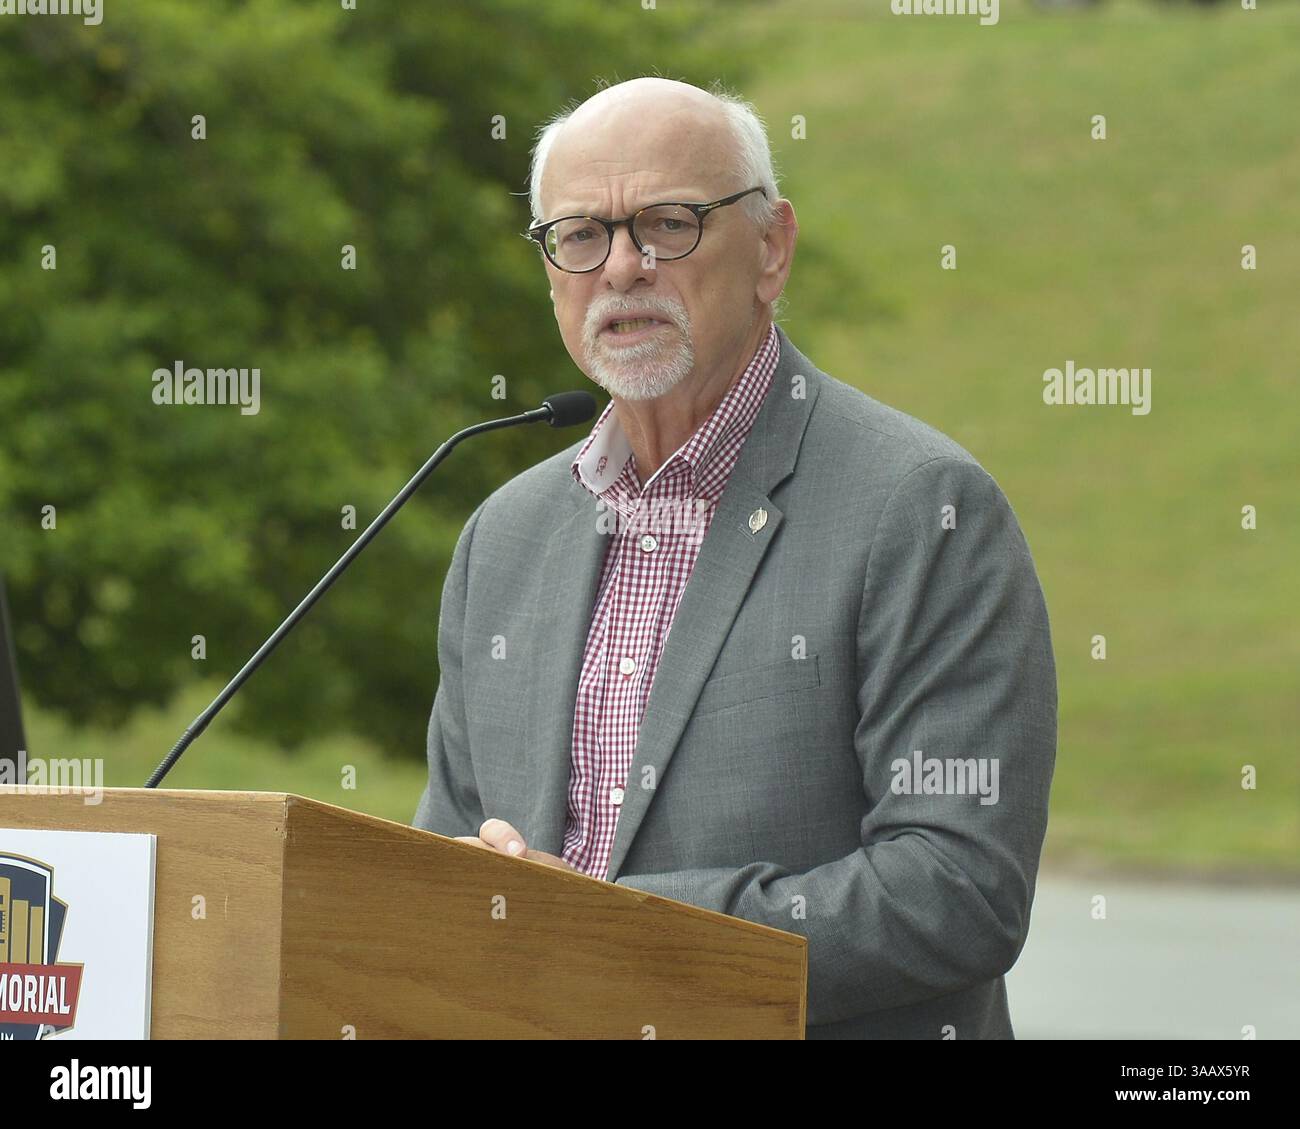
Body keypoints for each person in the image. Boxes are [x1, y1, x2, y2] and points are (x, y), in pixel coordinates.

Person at [413, 76, 1057, 1039]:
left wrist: (616, 938)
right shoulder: (503, 535)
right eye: (581, 235)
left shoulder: (921, 507)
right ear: (550, 271)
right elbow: (441, 868)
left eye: (669, 224)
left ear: (771, 249)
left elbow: (957, 889)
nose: (622, 268)